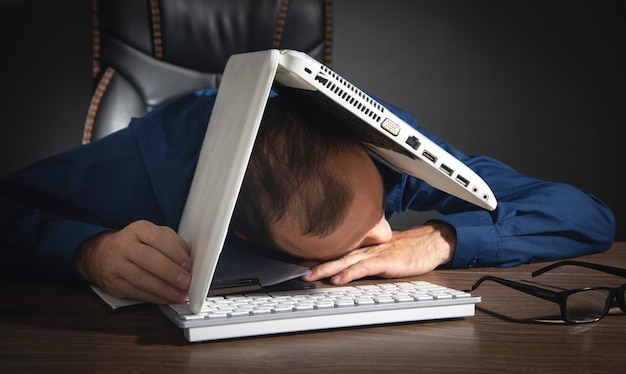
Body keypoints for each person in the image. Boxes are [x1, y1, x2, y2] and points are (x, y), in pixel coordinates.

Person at [0, 88, 615, 305]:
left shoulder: (383, 146)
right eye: (357, 234)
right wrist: (90, 253)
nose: (383, 234)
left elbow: (586, 215)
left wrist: (445, 236)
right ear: (246, 238)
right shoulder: (141, 165)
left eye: (377, 209)